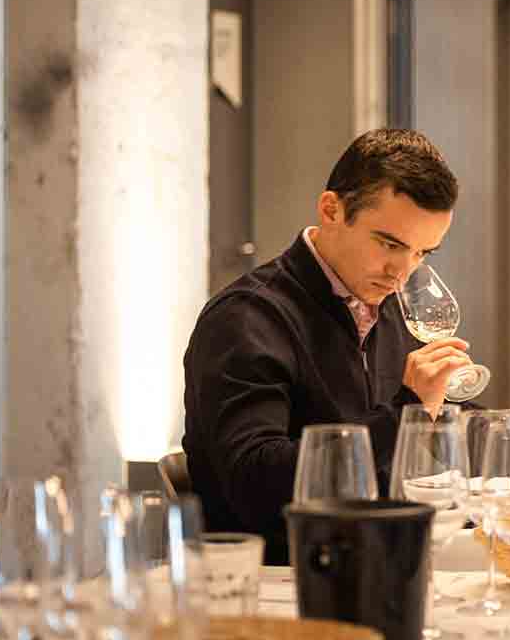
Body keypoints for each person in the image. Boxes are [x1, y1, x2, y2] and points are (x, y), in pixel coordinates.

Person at [182, 129, 476, 564]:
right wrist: (408, 413)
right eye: (389, 244)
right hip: (280, 584)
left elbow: (418, 439)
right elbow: (255, 483)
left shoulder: (389, 305)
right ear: (331, 209)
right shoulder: (246, 318)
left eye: (422, 253)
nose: (402, 271)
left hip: (375, 560)